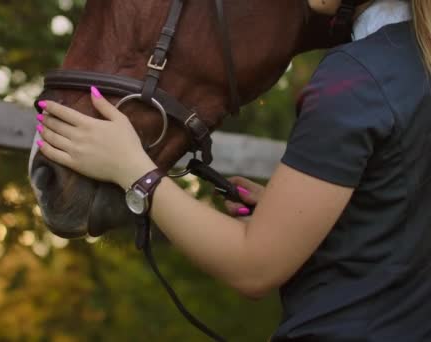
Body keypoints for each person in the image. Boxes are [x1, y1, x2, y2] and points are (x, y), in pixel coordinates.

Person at [36, 0, 431, 340]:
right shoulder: (411, 68)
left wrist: (132, 169)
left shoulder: (354, 79)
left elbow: (254, 267)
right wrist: (296, 217)